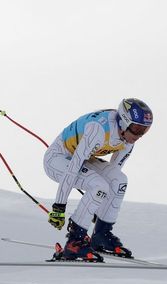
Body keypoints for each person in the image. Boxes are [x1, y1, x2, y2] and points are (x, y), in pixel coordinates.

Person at [43, 98, 153, 261]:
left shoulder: (128, 139)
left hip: (84, 159)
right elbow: (73, 168)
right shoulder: (99, 129)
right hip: (58, 159)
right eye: (136, 129)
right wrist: (59, 207)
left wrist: (100, 206)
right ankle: (75, 241)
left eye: (144, 130)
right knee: (98, 186)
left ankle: (101, 235)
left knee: (120, 181)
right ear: (124, 122)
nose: (138, 135)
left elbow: (113, 174)